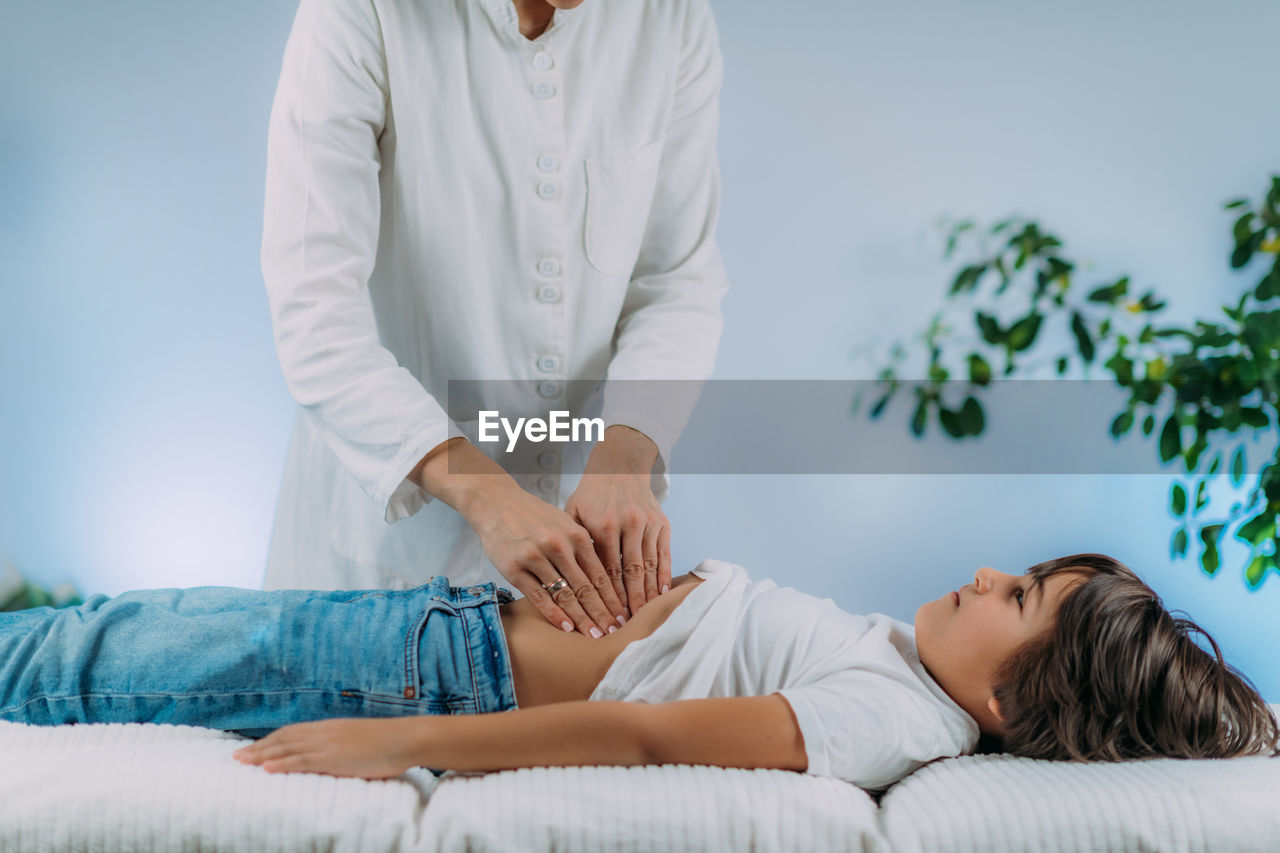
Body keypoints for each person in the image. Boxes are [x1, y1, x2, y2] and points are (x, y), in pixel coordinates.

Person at [1, 554, 1274, 790]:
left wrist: (396, 743)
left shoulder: (896, 721)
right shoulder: (898, 661)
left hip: (428, 673)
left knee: (83, 659)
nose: (987, 572)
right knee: (106, 634)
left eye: (1017, 600)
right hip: (437, 626)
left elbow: (654, 735)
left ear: (1008, 702)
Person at [260, 0, 730, 638]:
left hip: (572, 564)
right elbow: (314, 311)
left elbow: (676, 278)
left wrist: (626, 451)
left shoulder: (671, 17)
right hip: (378, 565)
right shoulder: (360, 11)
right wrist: (488, 493)